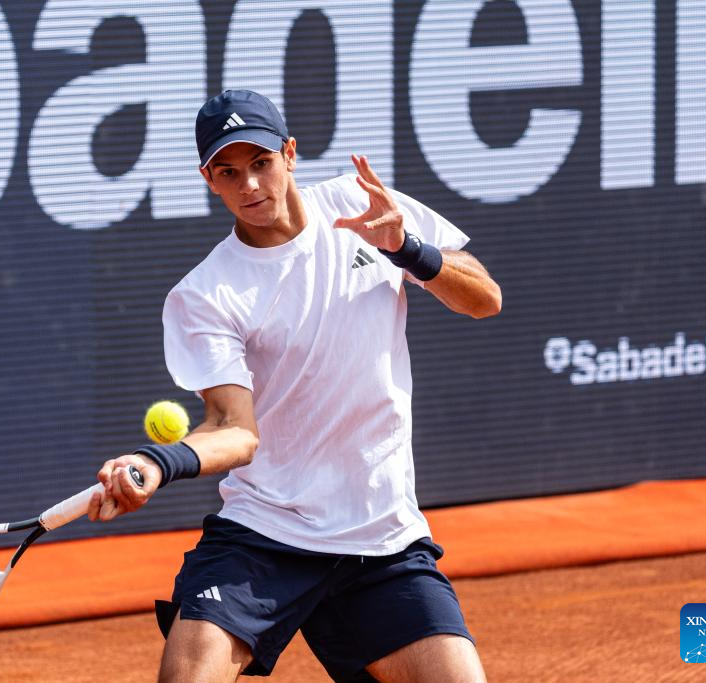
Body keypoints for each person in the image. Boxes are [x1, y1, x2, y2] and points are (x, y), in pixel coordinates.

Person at [88, 90, 501, 682]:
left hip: (381, 535)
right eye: (229, 172)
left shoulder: (361, 204)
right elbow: (234, 430)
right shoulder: (205, 294)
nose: (250, 185)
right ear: (208, 180)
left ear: (290, 153)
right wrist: (158, 462)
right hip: (265, 533)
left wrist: (407, 249)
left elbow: (485, 299)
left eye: (261, 162)